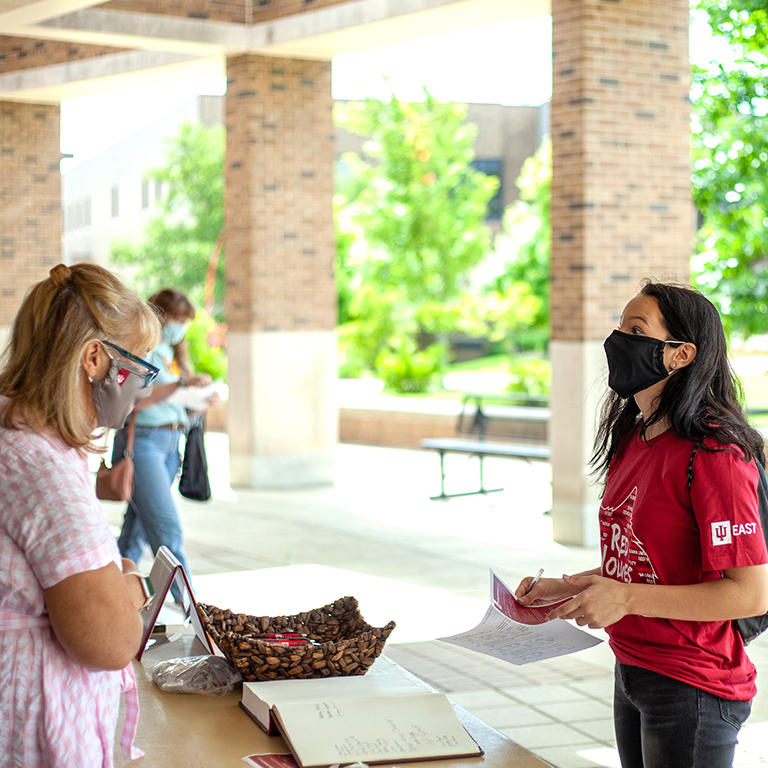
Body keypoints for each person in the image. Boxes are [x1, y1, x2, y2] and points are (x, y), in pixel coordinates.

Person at [515, 281, 768, 768]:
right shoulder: (635, 435)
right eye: (620, 326)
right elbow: (645, 559)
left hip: (692, 684)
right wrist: (569, 586)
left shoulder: (715, 453)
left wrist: (626, 598)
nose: (617, 341)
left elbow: (750, 593)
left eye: (636, 329)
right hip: (634, 666)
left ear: (680, 355)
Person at [0, 263, 161, 766]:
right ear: (95, 358)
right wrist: (133, 585)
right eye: (143, 366)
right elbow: (111, 643)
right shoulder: (40, 471)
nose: (146, 388)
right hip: (34, 727)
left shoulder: (18, 441)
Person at [113, 288, 215, 586]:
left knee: (136, 531)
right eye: (176, 318)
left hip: (171, 444)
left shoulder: (172, 354)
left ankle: (117, 596)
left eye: (185, 320)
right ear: (158, 315)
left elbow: (175, 403)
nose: (180, 325)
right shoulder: (139, 349)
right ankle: (194, 611)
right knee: (167, 532)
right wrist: (178, 386)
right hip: (143, 443)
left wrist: (199, 400)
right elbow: (129, 399)